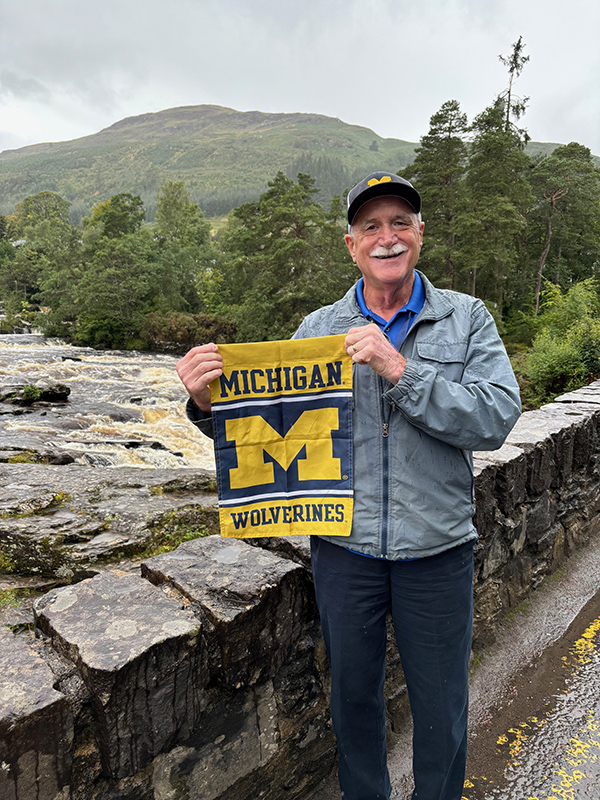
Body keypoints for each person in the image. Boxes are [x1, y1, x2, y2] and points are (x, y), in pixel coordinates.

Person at [176, 171, 521, 800]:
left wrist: (399, 369)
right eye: (371, 227)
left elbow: (496, 418)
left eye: (399, 223)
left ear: (419, 234)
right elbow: (268, 437)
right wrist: (206, 403)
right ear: (351, 244)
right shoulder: (316, 329)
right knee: (353, 706)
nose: (386, 237)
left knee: (442, 711)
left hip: (437, 551)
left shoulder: (467, 318)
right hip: (344, 550)